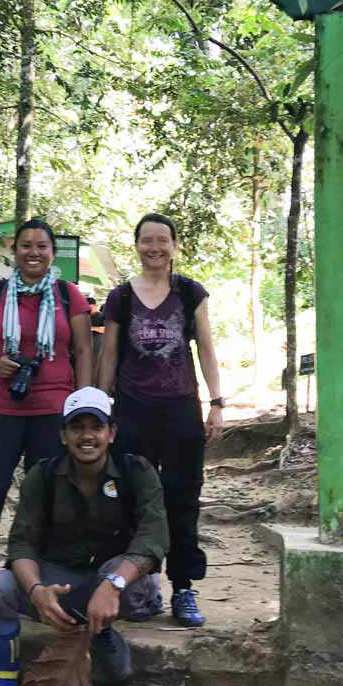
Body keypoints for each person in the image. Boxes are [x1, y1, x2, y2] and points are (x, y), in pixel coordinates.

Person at [0, 387, 169, 686]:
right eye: (77, 427)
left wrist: (112, 585)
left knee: (121, 580)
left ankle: (102, 627)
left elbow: (154, 537)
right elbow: (21, 544)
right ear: (64, 435)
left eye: (96, 426)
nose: (87, 436)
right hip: (62, 579)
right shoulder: (42, 476)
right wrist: (36, 590)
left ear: (111, 433)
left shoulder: (137, 471)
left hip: (121, 582)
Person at [0, 219, 94, 611]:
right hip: (2, 408)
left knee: (49, 497)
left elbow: (83, 351)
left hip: (52, 411)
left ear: (52, 253)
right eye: (26, 245)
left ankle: (40, 580)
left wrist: (85, 406)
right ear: (15, 251)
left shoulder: (68, 295)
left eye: (41, 246)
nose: (33, 252)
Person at [97, 213, 223, 628]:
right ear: (136, 246)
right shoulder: (120, 297)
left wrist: (217, 402)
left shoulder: (190, 293)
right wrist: (101, 407)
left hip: (181, 409)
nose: (154, 247)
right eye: (146, 240)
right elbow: (109, 354)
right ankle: (139, 587)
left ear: (174, 245)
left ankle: (183, 588)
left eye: (162, 240)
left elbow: (205, 348)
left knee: (183, 499)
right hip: (132, 410)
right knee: (131, 499)